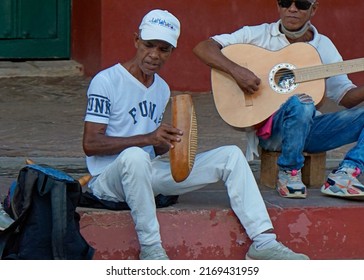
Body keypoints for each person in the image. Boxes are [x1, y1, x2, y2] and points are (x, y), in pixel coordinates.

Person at [82, 9, 309, 260]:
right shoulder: (107, 81)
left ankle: (264, 241)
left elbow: (151, 146)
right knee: (135, 156)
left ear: (171, 52)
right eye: (149, 45)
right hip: (108, 181)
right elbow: (91, 144)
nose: (154, 55)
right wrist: (147, 138)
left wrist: (167, 142)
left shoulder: (161, 88)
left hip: (145, 173)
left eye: (164, 49)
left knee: (231, 156)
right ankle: (151, 248)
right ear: (136, 40)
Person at [193, 0, 364, 199]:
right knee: (302, 103)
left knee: (305, 105)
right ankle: (289, 172)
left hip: (311, 131)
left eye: (301, 4)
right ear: (278, 6)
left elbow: (346, 96)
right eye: (285, 2)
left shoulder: (323, 46)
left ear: (313, 9)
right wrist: (237, 72)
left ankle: (345, 174)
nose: (292, 9)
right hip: (272, 134)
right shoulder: (256, 35)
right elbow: (203, 48)